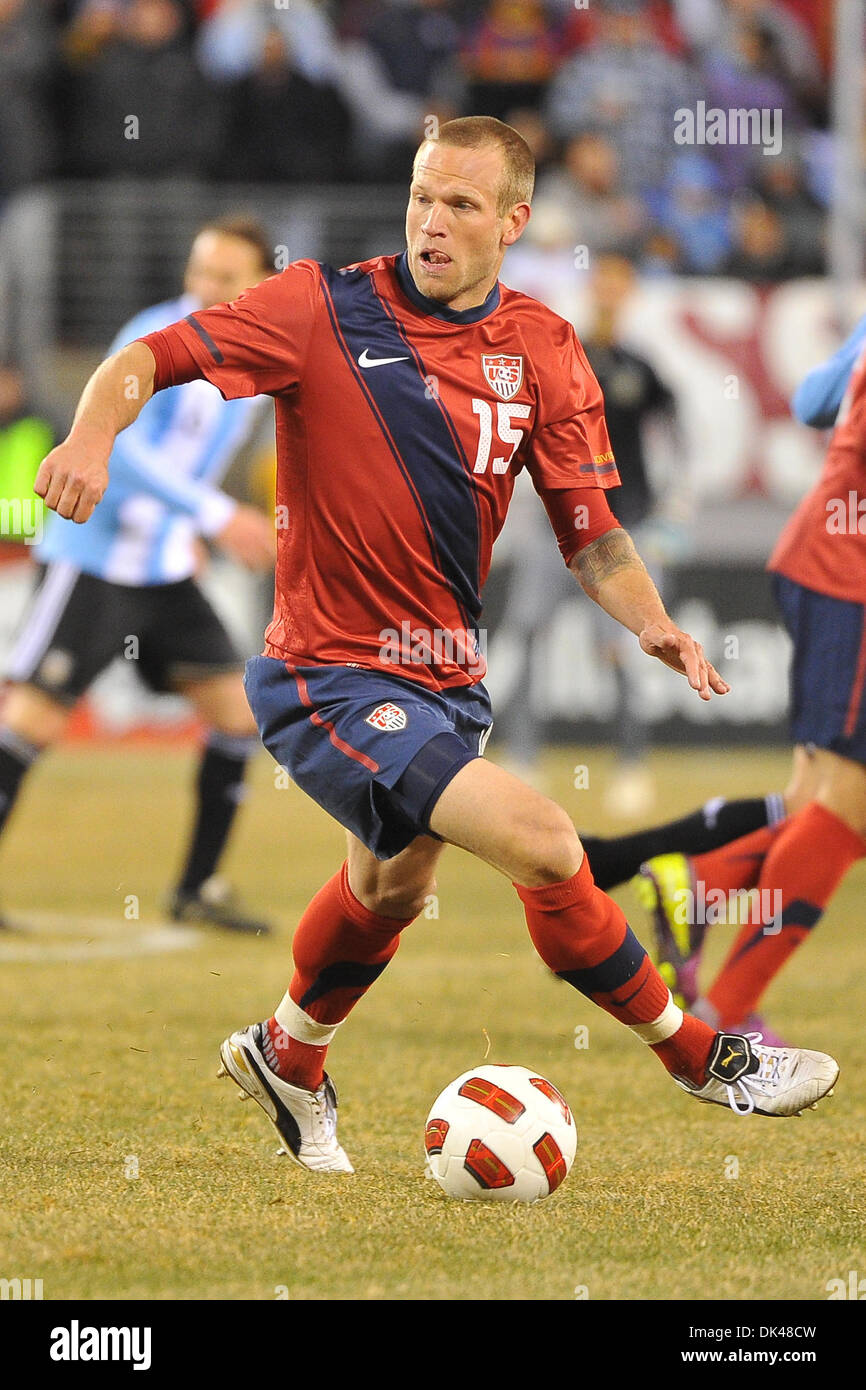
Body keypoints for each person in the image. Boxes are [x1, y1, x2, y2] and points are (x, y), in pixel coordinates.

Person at [35, 118, 839, 1172]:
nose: (431, 220)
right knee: (546, 843)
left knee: (391, 891)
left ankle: (286, 1052)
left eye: (461, 204)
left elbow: (589, 533)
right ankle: (702, 1058)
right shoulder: (316, 307)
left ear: (512, 222)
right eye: (421, 195)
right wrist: (92, 434)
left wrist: (653, 623)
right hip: (323, 673)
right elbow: (151, 355)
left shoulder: (544, 349)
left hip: (446, 679)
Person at [1, 216, 276, 934]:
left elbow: (190, 459)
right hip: (94, 561)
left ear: (259, 286)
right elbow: (120, 451)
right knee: (30, 719)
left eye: (222, 278)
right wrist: (214, 517)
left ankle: (197, 889)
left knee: (237, 715)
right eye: (198, 272)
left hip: (161, 569)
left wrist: (186, 530)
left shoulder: (250, 360)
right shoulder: (156, 339)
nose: (203, 289)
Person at [626, 314, 866, 1043]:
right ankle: (723, 1016)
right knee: (850, 807)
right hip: (849, 574)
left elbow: (814, 400)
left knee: (816, 802)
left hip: (827, 564)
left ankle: (696, 891)